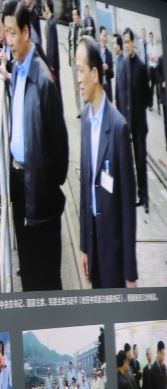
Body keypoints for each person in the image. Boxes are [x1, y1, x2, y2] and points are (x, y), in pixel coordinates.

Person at [1, 0, 67, 290]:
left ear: (26, 32)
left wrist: (44, 183)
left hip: (39, 190)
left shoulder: (44, 81)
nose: (8, 40)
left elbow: (60, 149)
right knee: (27, 268)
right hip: (19, 183)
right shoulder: (17, 71)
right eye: (5, 32)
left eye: (12, 33)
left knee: (47, 276)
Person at [76, 37, 139, 289]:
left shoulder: (119, 127)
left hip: (114, 255)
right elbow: (85, 190)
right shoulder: (85, 119)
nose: (78, 79)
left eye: (81, 71)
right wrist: (84, 246)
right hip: (93, 247)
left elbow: (127, 206)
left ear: (94, 74)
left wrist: (130, 273)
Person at [116, 29, 151, 213]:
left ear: (134, 43)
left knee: (141, 160)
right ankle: (135, 193)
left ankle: (144, 197)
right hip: (127, 121)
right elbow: (120, 91)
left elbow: (147, 97)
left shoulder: (141, 67)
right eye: (125, 41)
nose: (127, 44)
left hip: (139, 123)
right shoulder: (123, 65)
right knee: (130, 161)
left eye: (129, 41)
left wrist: (138, 109)